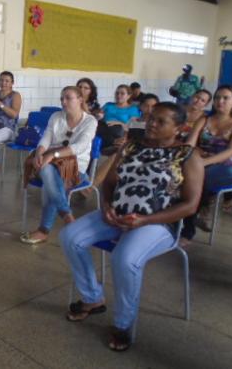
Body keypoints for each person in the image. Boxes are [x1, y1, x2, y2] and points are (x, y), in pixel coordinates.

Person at [60, 102, 203, 351]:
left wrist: (144, 221)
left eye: (161, 121)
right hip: (116, 215)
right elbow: (109, 183)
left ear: (179, 128)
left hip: (159, 223)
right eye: (151, 118)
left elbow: (190, 205)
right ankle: (93, 298)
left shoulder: (188, 156)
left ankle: (123, 323)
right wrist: (105, 207)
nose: (151, 124)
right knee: (70, 236)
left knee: (124, 258)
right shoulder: (131, 146)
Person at [20, 86, 98, 244]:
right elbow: (45, 139)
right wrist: (39, 153)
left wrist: (52, 154)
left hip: (77, 168)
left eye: (68, 98)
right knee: (49, 173)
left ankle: (44, 230)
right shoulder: (56, 116)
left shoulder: (90, 121)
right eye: (62, 98)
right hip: (50, 162)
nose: (63, 101)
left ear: (80, 100)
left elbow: (80, 147)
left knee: (49, 179)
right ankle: (67, 218)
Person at [181, 86, 232, 243]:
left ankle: (188, 230)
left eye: (225, 98)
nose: (219, 101)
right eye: (217, 98)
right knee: (177, 175)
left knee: (197, 179)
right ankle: (190, 211)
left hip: (228, 168)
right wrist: (196, 155)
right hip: (200, 162)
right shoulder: (204, 119)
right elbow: (189, 144)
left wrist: (203, 162)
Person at [97, 84, 140, 150]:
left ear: (129, 96)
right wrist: (98, 116)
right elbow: (98, 117)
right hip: (103, 131)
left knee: (117, 129)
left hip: (119, 134)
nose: (118, 96)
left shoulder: (133, 109)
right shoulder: (108, 105)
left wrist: (119, 123)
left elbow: (134, 128)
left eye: (122, 93)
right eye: (117, 93)